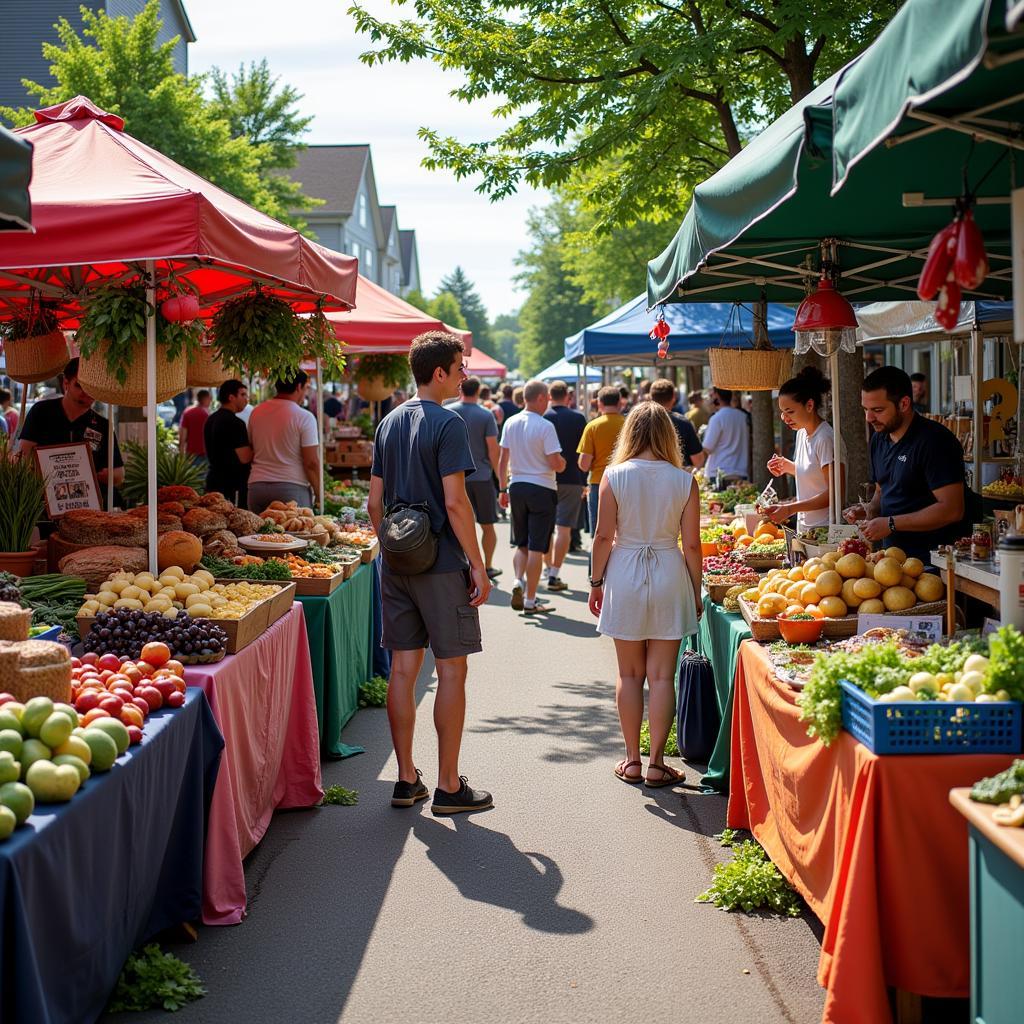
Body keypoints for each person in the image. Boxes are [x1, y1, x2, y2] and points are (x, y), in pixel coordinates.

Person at [368, 330, 492, 815]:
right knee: (451, 670)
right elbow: (456, 503)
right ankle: (447, 786)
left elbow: (374, 502)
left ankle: (405, 780)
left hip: (395, 563)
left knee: (402, 670)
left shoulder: (388, 422)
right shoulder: (449, 423)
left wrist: (394, 547)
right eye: (460, 366)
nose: (465, 374)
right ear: (438, 372)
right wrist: (478, 565)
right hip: (441, 563)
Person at [588, 402, 702, 787]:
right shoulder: (684, 480)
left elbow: (603, 536)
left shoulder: (614, 476)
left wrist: (595, 582)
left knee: (629, 673)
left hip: (624, 572)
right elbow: (693, 546)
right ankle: (657, 763)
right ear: (669, 435)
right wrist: (697, 592)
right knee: (662, 675)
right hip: (670, 570)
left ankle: (632, 759)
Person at [843, 365, 965, 561]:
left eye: (878, 410)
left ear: (904, 403)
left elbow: (952, 509)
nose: (869, 418)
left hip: (933, 564)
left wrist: (890, 523)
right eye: (865, 409)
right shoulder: (878, 438)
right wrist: (869, 510)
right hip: (890, 560)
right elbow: (882, 491)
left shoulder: (935, 441)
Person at [498, 379, 565, 613]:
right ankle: (530, 599)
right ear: (539, 398)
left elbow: (502, 459)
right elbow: (555, 462)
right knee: (537, 546)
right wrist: (563, 463)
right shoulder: (545, 426)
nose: (548, 401)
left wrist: (502, 488)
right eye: (546, 398)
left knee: (521, 542)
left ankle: (518, 581)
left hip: (516, 485)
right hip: (542, 487)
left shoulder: (510, 422)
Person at [17, 358, 124, 497]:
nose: (87, 392)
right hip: (43, 502)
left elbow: (119, 475)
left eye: (92, 387)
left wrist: (100, 475)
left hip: (89, 506)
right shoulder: (41, 412)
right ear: (66, 383)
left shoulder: (103, 425)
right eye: (79, 385)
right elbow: (24, 456)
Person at [763, 367, 847, 531]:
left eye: (790, 412)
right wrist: (788, 467)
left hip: (826, 529)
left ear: (809, 405)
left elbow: (834, 493)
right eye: (782, 412)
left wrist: (790, 508)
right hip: (806, 528)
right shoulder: (801, 433)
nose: (785, 418)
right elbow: (814, 477)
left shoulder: (825, 438)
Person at [450, 375, 502, 580]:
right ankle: (487, 566)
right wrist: (500, 478)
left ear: (460, 388)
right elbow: (493, 450)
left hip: (455, 477)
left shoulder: (450, 412)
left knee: (458, 524)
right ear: (479, 391)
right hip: (481, 476)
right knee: (487, 525)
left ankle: (461, 564)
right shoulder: (486, 415)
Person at [246, 371, 320, 513]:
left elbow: (252, 447)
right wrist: (318, 492)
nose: (305, 393)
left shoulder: (256, 412)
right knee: (298, 534)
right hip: (292, 488)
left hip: (257, 487)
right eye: (306, 388)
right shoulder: (304, 417)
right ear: (299, 387)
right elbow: (311, 462)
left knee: (257, 536)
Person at [543, 380, 587, 589]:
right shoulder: (578, 418)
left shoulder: (544, 418)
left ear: (550, 396)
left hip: (546, 478)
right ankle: (554, 573)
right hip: (573, 479)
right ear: (568, 397)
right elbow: (585, 450)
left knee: (546, 528)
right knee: (563, 529)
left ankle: (546, 566)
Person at [577, 386, 626, 534]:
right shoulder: (630, 424)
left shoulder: (592, 427)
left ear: (599, 404)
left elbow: (584, 465)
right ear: (620, 403)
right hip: (626, 482)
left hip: (599, 483)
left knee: (600, 535)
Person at [204, 379, 253, 508]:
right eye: (242, 395)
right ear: (231, 397)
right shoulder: (236, 423)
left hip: (213, 481)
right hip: (232, 486)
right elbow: (245, 457)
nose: (246, 399)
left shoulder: (211, 419)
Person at [649, 379, 704, 469]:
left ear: (651, 397)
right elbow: (698, 460)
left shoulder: (640, 422)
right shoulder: (683, 423)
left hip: (645, 478)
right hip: (676, 478)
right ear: (673, 398)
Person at [702, 387, 750, 481]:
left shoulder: (717, 418)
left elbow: (707, 448)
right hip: (740, 472)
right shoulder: (743, 417)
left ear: (717, 397)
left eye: (711, 396)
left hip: (720, 474)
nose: (710, 399)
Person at [178, 389, 212, 466]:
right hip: (206, 454)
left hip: (191, 455)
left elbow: (182, 436)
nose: (210, 401)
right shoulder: (208, 415)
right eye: (210, 399)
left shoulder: (187, 412)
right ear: (205, 399)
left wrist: (181, 456)